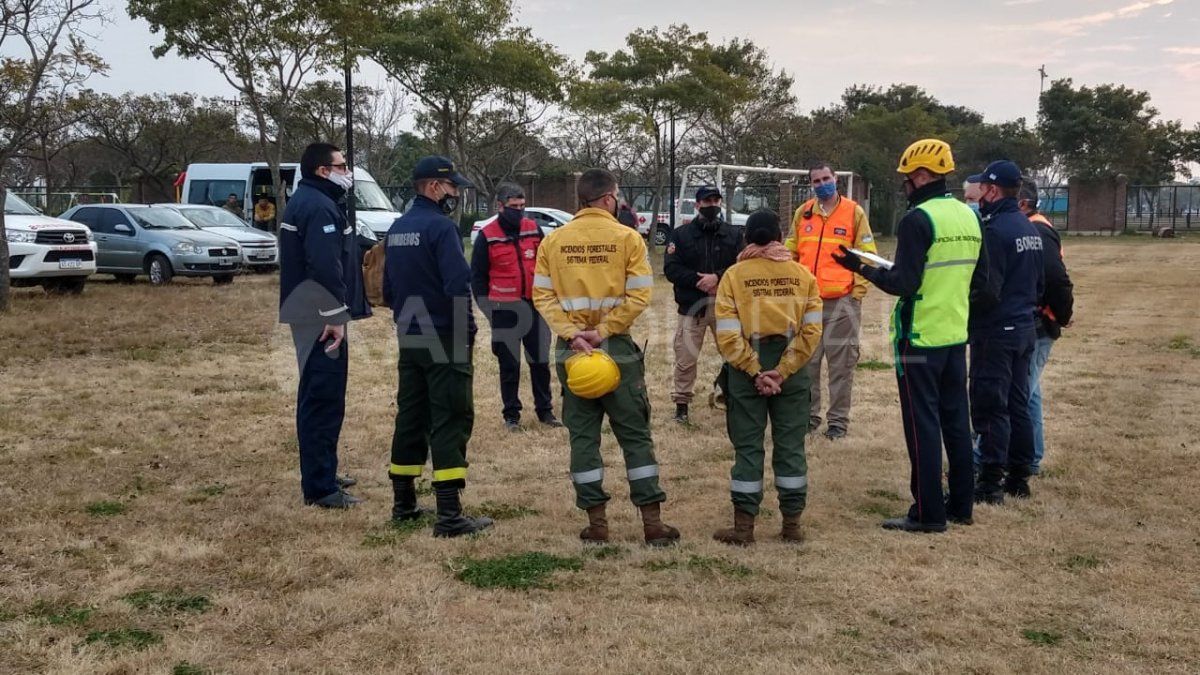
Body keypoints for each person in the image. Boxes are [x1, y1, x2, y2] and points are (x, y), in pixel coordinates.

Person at [833, 138, 986, 533]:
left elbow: (902, 282)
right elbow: (983, 282)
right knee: (956, 421)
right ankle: (962, 505)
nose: (904, 186)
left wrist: (860, 267)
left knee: (922, 426)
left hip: (917, 338)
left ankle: (928, 513)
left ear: (921, 176)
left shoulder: (918, 219)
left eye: (906, 179)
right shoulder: (969, 216)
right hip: (954, 335)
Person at [532, 168, 680, 547]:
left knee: (583, 437)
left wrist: (571, 334)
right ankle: (652, 524)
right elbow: (640, 296)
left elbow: (542, 297)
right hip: (615, 348)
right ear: (610, 198)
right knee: (635, 436)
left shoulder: (554, 241)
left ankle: (596, 524)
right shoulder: (628, 238)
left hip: (571, 351)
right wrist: (604, 330)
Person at [383, 155, 493, 537]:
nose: (456, 194)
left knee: (411, 414)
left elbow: (387, 290)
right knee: (450, 416)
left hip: (409, 332)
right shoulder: (441, 229)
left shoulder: (397, 229)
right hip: (445, 335)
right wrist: (468, 331)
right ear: (433, 187)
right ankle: (449, 514)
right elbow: (457, 285)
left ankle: (404, 503)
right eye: (452, 187)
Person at [712, 209, 823, 545]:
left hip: (747, 368)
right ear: (779, 236)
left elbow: (729, 335)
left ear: (747, 237)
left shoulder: (733, 276)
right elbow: (812, 330)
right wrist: (783, 370)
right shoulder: (803, 275)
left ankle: (744, 528)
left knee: (748, 447)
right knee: (791, 447)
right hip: (792, 368)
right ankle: (792, 526)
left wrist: (756, 371)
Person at [277, 142, 371, 509]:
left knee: (319, 395)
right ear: (322, 170)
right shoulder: (317, 206)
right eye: (342, 166)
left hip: (312, 314)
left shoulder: (314, 201)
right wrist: (335, 317)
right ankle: (320, 488)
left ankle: (323, 471)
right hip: (319, 318)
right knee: (323, 398)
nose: (347, 172)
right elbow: (324, 265)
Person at [967, 160, 1045, 504]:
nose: (979, 194)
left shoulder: (995, 230)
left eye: (983, 187)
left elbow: (987, 287)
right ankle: (1019, 476)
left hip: (997, 329)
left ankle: (990, 481)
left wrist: (967, 310)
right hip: (1025, 325)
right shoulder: (1030, 228)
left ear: (993, 190)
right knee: (1018, 403)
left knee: (991, 405)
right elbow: (1039, 281)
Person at [785, 162, 876, 440]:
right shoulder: (804, 212)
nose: (822, 183)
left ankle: (837, 422)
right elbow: (791, 250)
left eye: (826, 178)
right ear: (810, 185)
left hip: (842, 303)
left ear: (835, 179)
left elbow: (867, 254)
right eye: (816, 180)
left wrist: (856, 293)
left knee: (841, 365)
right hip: (808, 304)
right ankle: (808, 417)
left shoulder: (853, 212)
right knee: (806, 363)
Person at [470, 183, 561, 431]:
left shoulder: (533, 229)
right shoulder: (488, 236)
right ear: (500, 206)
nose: (519, 211)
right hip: (504, 310)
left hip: (534, 306)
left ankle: (545, 411)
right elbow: (477, 278)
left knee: (540, 361)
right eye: (514, 207)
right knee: (509, 365)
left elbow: (546, 265)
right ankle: (511, 415)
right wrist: (489, 311)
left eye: (522, 206)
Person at [663, 186, 744, 424]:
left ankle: (732, 396)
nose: (712, 205)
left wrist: (717, 277)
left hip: (725, 305)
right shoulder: (680, 235)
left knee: (734, 355)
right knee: (685, 358)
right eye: (707, 201)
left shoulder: (733, 234)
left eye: (716, 200)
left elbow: (740, 266)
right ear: (697, 205)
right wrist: (700, 281)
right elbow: (671, 268)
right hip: (692, 306)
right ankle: (681, 405)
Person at [1017, 179, 1073, 475]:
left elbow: (1057, 279)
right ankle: (1033, 457)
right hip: (1040, 322)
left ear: (1023, 204)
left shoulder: (1037, 230)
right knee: (1030, 392)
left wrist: (1061, 316)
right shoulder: (1037, 227)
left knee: (1019, 394)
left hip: (1039, 325)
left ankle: (1016, 461)